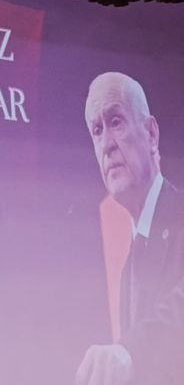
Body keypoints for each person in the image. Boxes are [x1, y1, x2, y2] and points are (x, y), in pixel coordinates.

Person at [76, 71, 184, 385]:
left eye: (116, 122)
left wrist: (130, 352)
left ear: (151, 133)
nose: (107, 145)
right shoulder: (129, 267)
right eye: (97, 131)